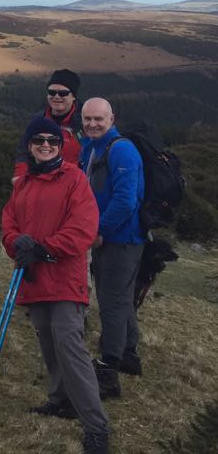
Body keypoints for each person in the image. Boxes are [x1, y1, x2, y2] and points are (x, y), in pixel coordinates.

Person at [2, 117, 110, 454]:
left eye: (51, 140)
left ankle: (95, 426)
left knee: (68, 343)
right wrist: (17, 244)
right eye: (38, 141)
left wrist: (44, 248)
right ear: (30, 146)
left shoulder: (75, 180)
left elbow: (83, 229)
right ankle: (60, 400)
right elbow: (8, 223)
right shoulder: (23, 184)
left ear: (60, 146)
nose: (45, 145)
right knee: (48, 340)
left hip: (65, 278)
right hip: (35, 278)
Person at [80, 97, 146, 399]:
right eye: (87, 118)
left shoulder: (122, 151)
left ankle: (108, 372)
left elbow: (125, 201)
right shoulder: (91, 147)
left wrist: (99, 231)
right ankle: (130, 355)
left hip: (122, 240)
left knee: (111, 303)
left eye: (98, 119)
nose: (92, 124)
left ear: (111, 119)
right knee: (122, 300)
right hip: (110, 237)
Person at [13, 69, 84, 182]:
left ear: (73, 96)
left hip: (74, 185)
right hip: (38, 182)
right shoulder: (38, 120)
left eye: (63, 93)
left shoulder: (84, 122)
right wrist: (20, 176)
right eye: (51, 92)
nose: (56, 96)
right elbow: (24, 151)